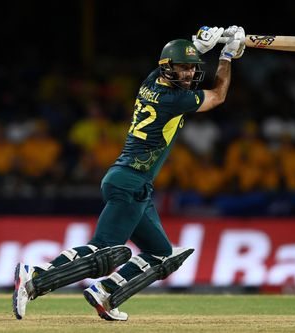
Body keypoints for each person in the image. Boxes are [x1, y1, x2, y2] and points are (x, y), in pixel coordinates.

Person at [13, 25, 246, 321]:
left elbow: (177, 68)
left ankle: (106, 293)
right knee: (104, 251)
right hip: (129, 184)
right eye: (183, 68)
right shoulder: (174, 100)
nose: (188, 74)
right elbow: (218, 95)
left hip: (132, 183)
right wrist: (226, 56)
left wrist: (199, 48)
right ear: (167, 68)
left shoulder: (150, 82)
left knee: (163, 254)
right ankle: (34, 275)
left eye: (192, 68)